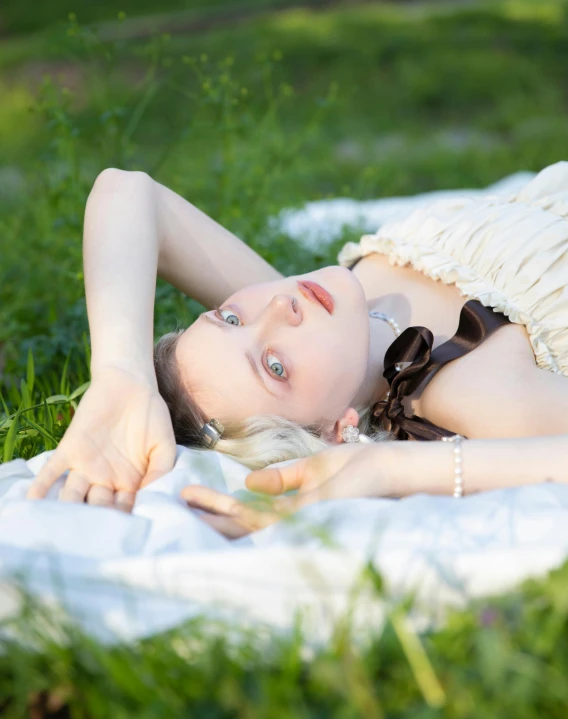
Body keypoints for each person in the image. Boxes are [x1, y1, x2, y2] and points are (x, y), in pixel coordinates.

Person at [26, 162, 568, 538]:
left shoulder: (335, 318)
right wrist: (391, 471)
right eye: (275, 366)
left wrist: (122, 376)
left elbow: (127, 190)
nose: (278, 308)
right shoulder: (473, 386)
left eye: (230, 317)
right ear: (337, 428)